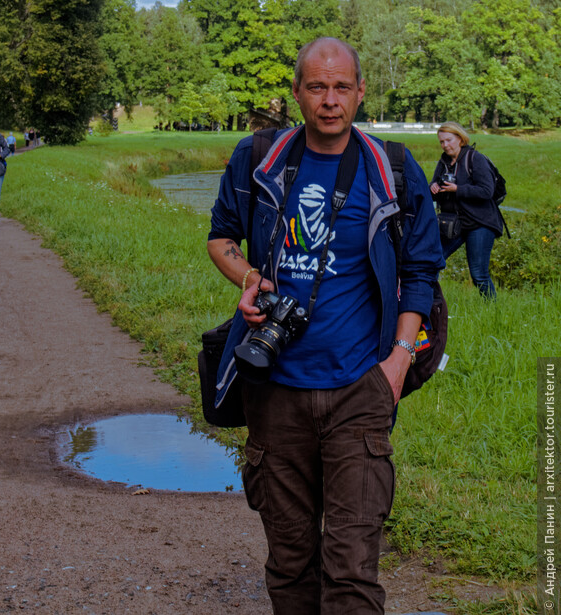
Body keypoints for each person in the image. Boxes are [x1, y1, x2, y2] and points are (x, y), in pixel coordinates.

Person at [207, 38, 443, 614]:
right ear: (297, 94)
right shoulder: (258, 158)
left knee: (352, 570)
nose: (330, 101)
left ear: (361, 92)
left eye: (342, 87)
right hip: (275, 388)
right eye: (317, 87)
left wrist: (398, 361)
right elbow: (221, 239)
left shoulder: (392, 167)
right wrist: (247, 281)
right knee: (289, 565)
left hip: (360, 388)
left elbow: (420, 270)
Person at [429, 121, 504, 299]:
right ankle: (431, 306)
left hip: (480, 222)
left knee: (478, 275)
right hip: (453, 223)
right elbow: (435, 188)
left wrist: (458, 189)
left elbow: (487, 191)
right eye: (442, 142)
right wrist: (432, 187)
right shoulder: (444, 161)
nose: (445, 145)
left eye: (449, 140)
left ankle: (492, 309)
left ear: (460, 139)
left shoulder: (475, 159)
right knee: (431, 262)